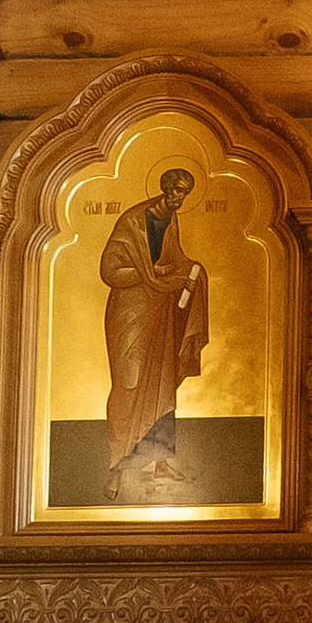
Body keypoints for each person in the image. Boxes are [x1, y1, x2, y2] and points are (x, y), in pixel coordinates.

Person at [98, 163, 207, 501]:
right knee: (129, 384)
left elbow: (173, 261)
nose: (178, 198)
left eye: (184, 194)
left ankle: (160, 460)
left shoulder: (171, 221)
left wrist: (190, 270)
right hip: (130, 313)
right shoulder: (132, 222)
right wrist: (151, 276)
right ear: (163, 188)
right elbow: (110, 271)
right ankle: (116, 466)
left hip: (158, 313)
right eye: (174, 191)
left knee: (161, 385)